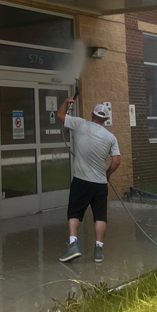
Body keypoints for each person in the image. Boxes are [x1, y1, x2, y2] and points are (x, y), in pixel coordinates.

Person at [57, 99, 120, 264]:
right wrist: (108, 173)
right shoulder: (111, 137)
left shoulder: (81, 124)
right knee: (100, 216)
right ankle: (98, 250)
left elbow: (60, 115)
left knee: (74, 213)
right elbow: (116, 161)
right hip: (100, 183)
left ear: (92, 115)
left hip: (81, 181)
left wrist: (66, 101)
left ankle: (73, 246)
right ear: (106, 119)